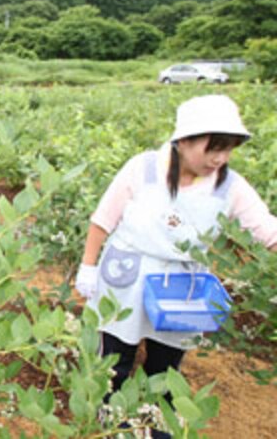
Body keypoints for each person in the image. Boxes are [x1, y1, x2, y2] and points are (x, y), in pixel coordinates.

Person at [74, 95, 277, 435]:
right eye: (213, 148)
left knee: (165, 367)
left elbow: (266, 228)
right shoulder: (143, 168)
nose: (220, 159)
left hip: (180, 284)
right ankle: (110, 426)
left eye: (228, 149)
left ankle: (156, 426)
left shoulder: (230, 186)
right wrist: (88, 266)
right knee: (115, 360)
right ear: (183, 141)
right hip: (128, 273)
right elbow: (103, 219)